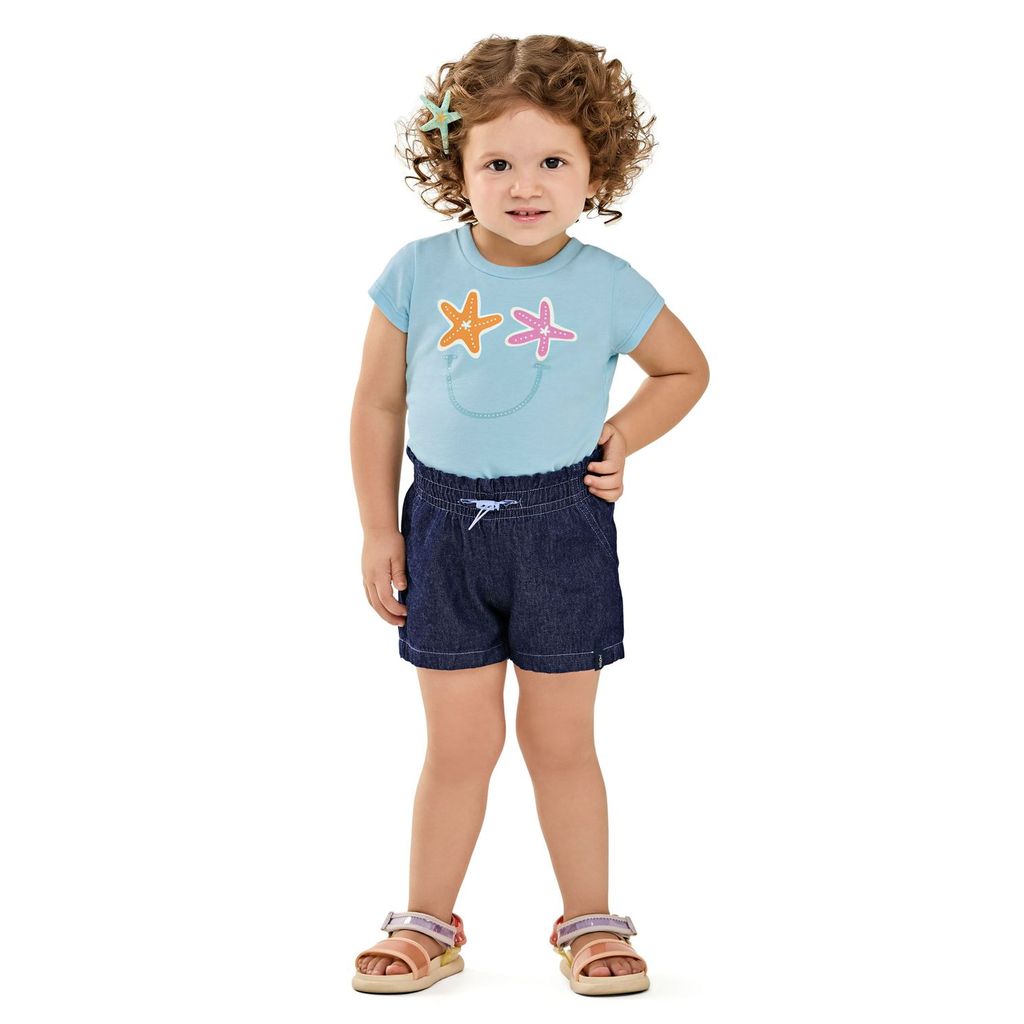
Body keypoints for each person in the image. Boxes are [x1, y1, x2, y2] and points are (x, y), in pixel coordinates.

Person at [350, 34, 710, 996]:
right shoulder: (417, 271)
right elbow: (378, 403)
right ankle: (428, 921)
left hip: (563, 531)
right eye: (497, 163)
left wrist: (623, 436)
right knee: (458, 745)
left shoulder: (607, 284)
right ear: (455, 165)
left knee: (560, 741)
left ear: (597, 167)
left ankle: (589, 918)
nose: (524, 185)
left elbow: (685, 370)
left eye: (553, 161)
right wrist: (380, 528)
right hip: (441, 531)